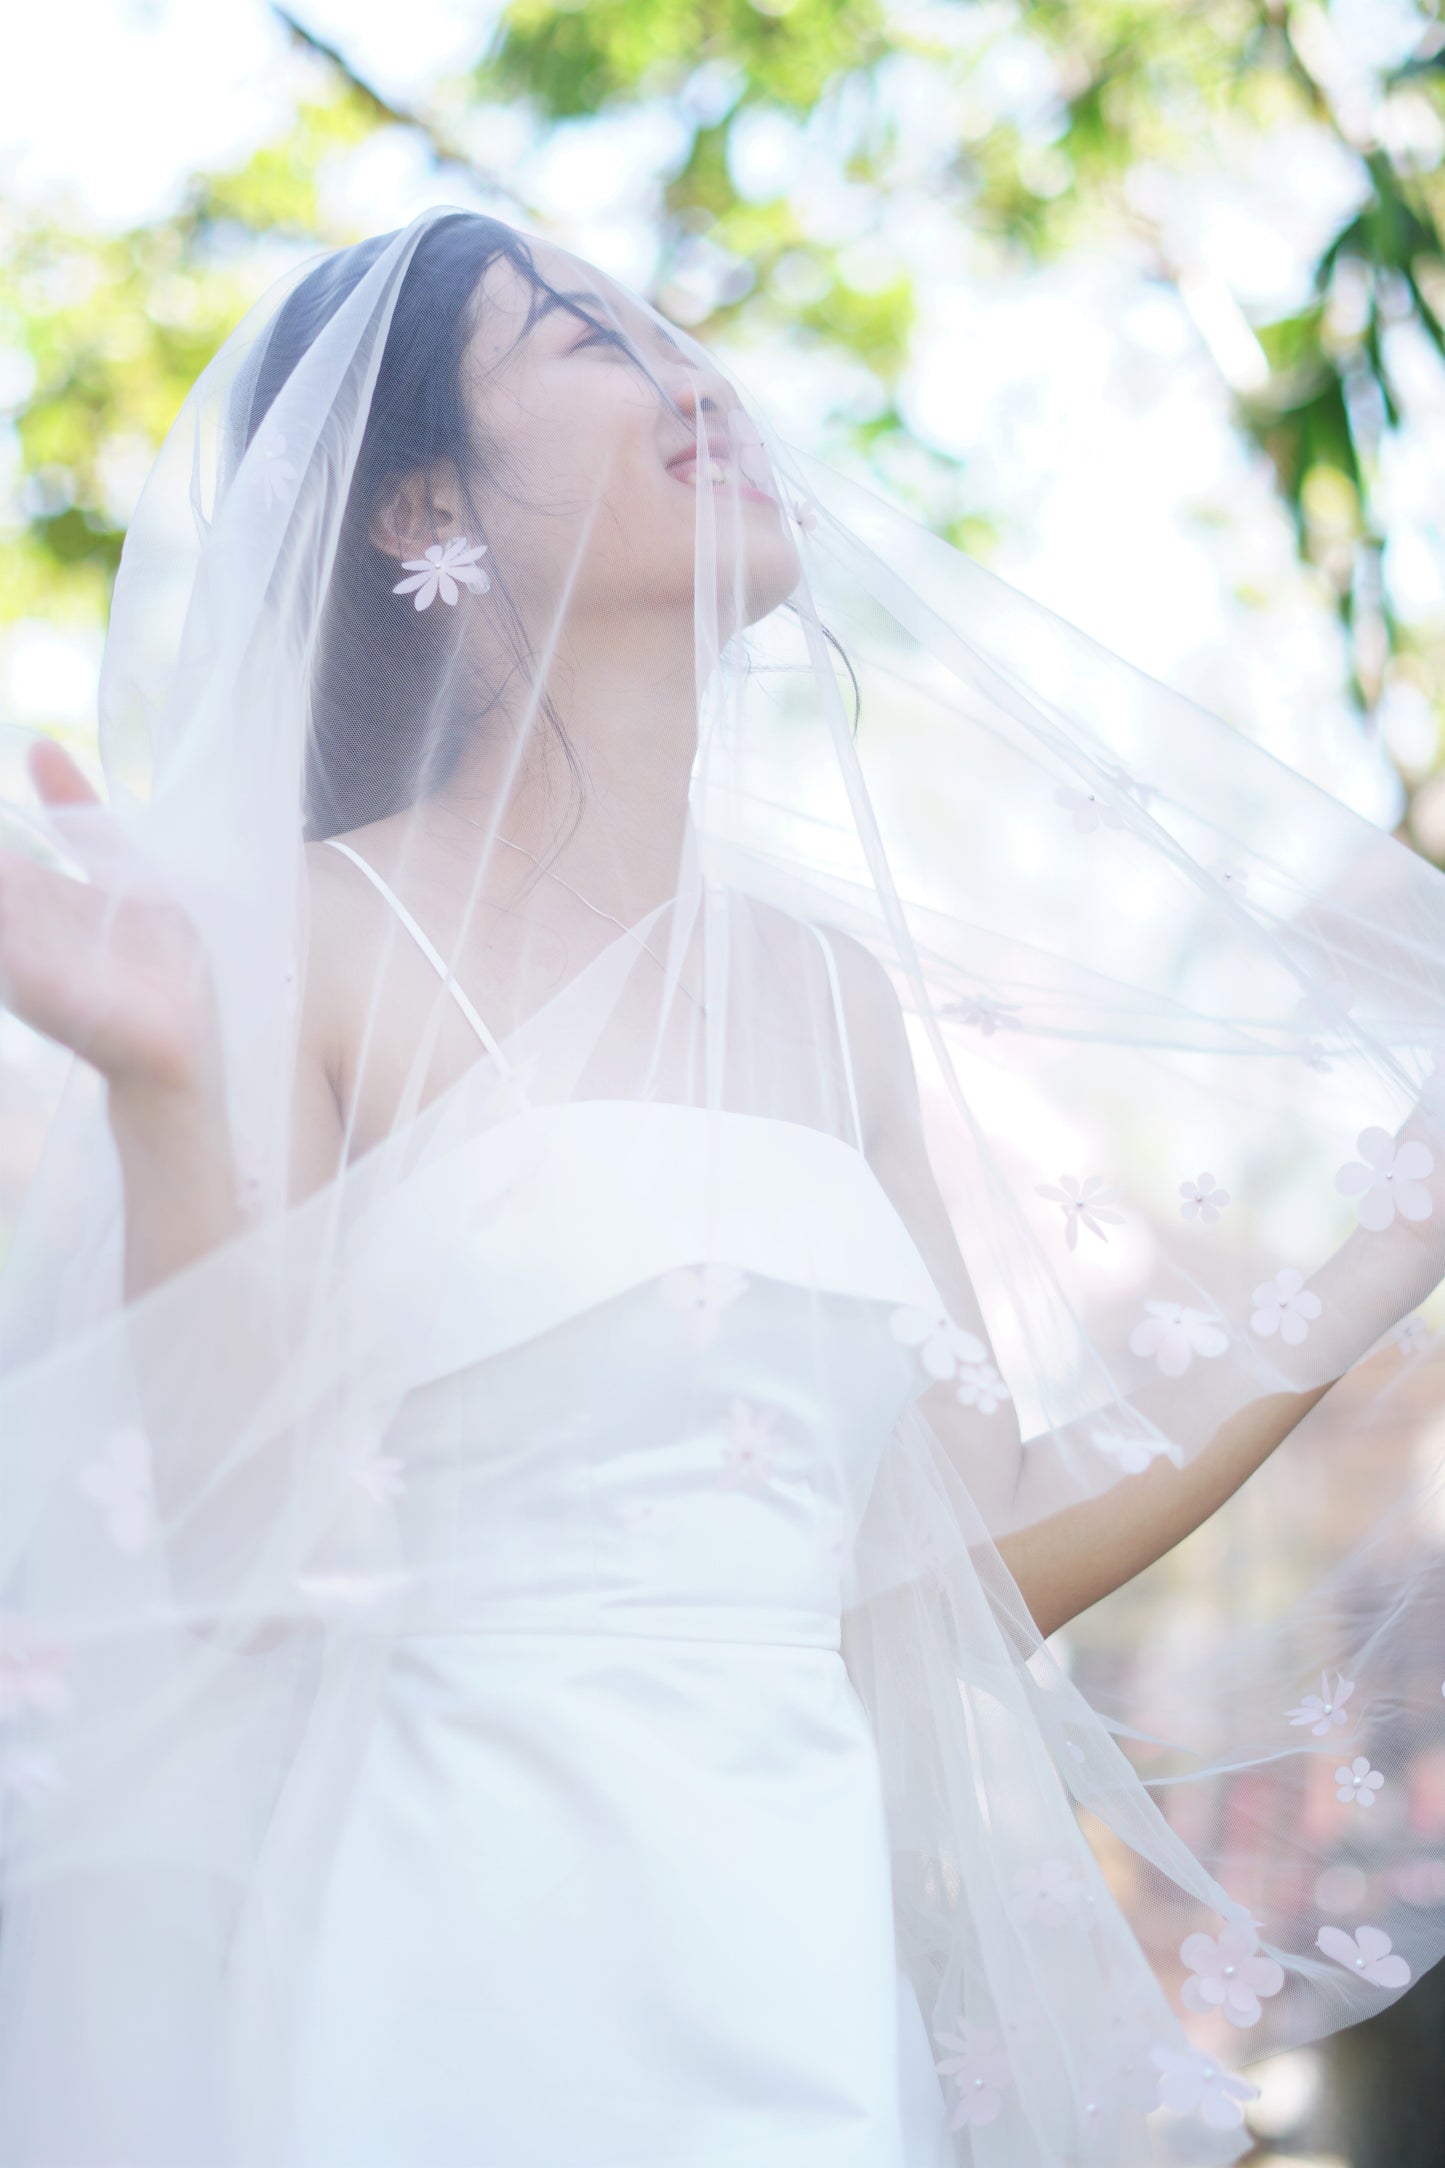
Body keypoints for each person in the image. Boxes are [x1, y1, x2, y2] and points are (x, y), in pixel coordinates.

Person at [1, 206, 1444, 2167]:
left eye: (671, 330)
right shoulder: (296, 945)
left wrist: (1405, 1230)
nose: (699, 375)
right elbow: (243, 1552)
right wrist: (171, 1082)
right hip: (437, 1939)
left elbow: (963, 1543)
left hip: (789, 1939)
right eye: (587, 342)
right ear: (421, 495)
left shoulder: (820, 993)